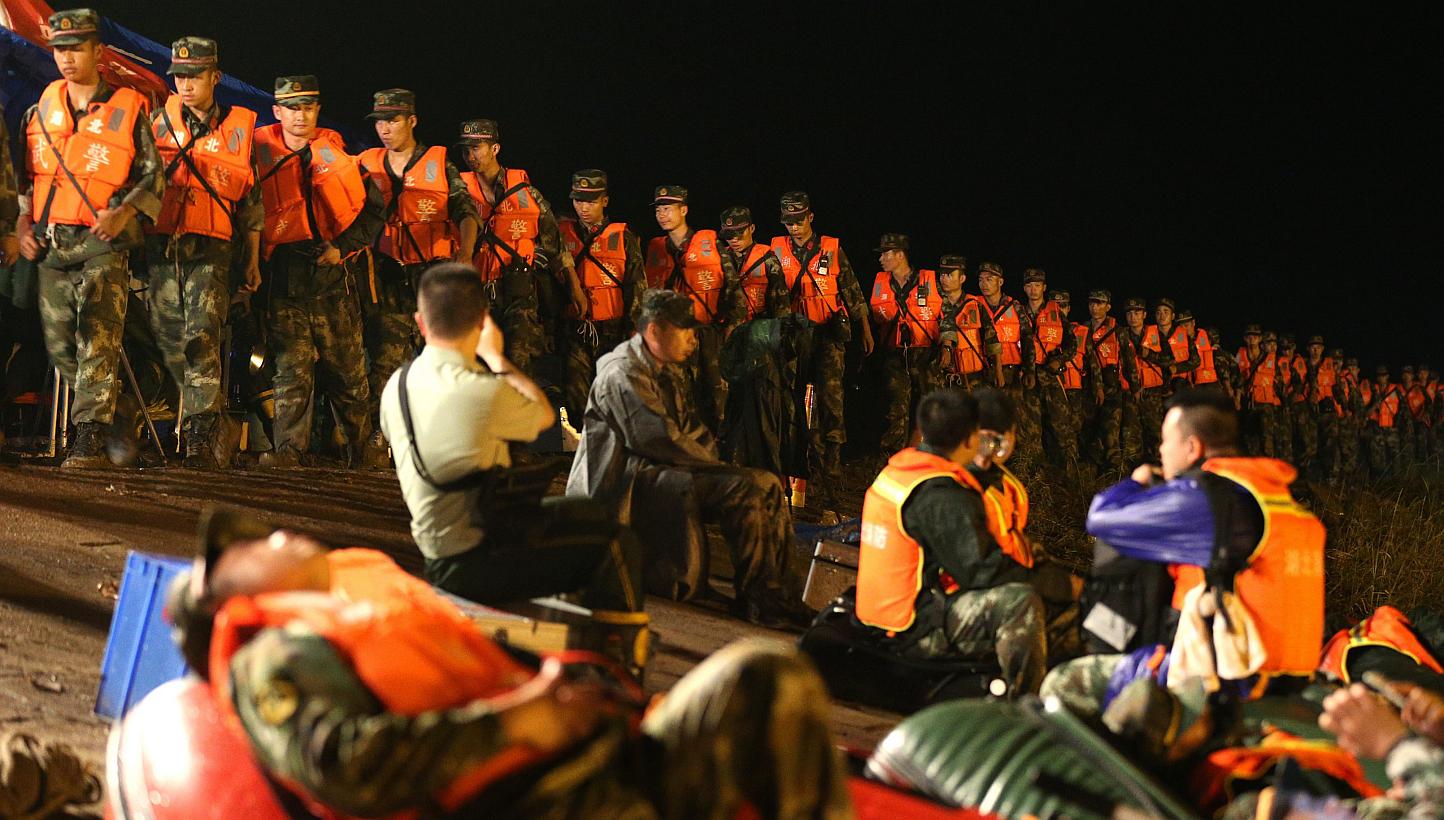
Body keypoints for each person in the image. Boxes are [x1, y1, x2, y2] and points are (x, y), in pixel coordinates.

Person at [157, 507, 851, 820]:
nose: (272, 533)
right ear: (229, 599)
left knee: (764, 674)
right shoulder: (274, 654)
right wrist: (515, 722)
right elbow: (346, 768)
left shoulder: (351, 602)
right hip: (533, 800)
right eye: (242, 547)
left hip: (598, 756)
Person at [379, 263, 647, 669]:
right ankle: (616, 670)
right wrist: (495, 357)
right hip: (475, 560)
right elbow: (542, 415)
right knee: (616, 544)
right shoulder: (483, 391)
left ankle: (565, 644)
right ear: (482, 320)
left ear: (420, 321)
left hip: (438, 543)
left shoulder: (397, 384)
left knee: (586, 512)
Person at [1042, 389, 1325, 720]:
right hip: (1287, 677)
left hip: (1224, 680)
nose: (1161, 450)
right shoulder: (1278, 499)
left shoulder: (1207, 500)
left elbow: (1103, 518)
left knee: (1063, 683)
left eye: (1166, 440)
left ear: (1192, 448)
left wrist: (1137, 483)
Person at [566, 288, 805, 628]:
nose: (694, 339)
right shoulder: (622, 373)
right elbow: (656, 438)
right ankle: (759, 599)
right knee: (743, 487)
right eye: (686, 331)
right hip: (624, 485)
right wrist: (721, 470)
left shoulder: (661, 371)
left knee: (765, 483)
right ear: (654, 330)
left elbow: (693, 433)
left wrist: (717, 465)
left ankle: (781, 594)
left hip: (658, 472)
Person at [16, 8, 164, 468]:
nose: (66, 57)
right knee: (61, 345)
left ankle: (90, 436)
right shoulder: (39, 110)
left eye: (76, 48)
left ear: (98, 52)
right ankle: (116, 410)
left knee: (97, 339)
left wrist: (122, 212)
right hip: (51, 244)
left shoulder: (128, 108)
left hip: (103, 245)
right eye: (59, 48)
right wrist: (22, 228)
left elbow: (153, 176)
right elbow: (25, 182)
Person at [854, 388, 1048, 694]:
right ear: (970, 440)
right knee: (1019, 603)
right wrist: (1056, 585)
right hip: (915, 629)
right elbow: (983, 572)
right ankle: (1025, 708)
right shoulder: (942, 494)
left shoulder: (904, 469)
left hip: (880, 614)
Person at [252, 75, 384, 467]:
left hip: (333, 279)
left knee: (347, 373)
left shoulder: (339, 157)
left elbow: (374, 211)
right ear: (277, 112)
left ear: (317, 111)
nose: (300, 115)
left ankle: (361, 452)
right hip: (285, 277)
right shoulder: (258, 154)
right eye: (292, 108)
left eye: (308, 107)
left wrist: (341, 248)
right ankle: (289, 453)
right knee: (291, 371)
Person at [145, 36, 261, 469]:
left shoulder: (237, 130)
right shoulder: (156, 122)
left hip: (212, 248)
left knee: (201, 337)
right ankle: (157, 420)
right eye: (178, 76)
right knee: (165, 337)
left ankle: (200, 433)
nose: (185, 84)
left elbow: (253, 203)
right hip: (161, 245)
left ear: (216, 77)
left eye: (195, 75)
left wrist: (251, 259)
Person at [356, 89, 479, 465]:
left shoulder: (440, 165)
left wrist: (465, 255)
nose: (384, 128)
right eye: (379, 120)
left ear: (412, 120)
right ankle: (382, 437)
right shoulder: (366, 164)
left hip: (432, 276)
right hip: (388, 274)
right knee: (385, 360)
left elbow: (466, 211)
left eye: (393, 120)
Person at [769, 191, 873, 506]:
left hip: (828, 333)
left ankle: (833, 461)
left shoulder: (832, 248)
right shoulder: (777, 249)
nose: (794, 227)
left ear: (810, 217)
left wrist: (865, 330)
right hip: (794, 335)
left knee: (831, 398)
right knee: (791, 398)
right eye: (788, 221)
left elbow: (852, 291)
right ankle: (797, 461)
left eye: (799, 220)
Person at [459, 118, 580, 374]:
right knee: (478, 368)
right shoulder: (459, 191)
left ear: (495, 149)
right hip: (475, 292)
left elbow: (555, 244)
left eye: (477, 148)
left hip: (519, 292)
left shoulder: (527, 193)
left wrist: (575, 287)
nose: (471, 155)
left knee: (518, 364)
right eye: (466, 149)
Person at [642, 185, 742, 435]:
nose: (662, 214)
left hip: (708, 334)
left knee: (717, 401)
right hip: (672, 339)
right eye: (659, 209)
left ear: (684, 210)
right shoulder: (655, 249)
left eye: (668, 208)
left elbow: (733, 287)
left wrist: (732, 327)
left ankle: (722, 459)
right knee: (676, 402)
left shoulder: (712, 244)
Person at [557, 169, 645, 423]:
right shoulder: (561, 235)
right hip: (575, 329)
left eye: (591, 201)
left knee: (615, 396)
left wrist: (634, 330)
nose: (583, 207)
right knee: (576, 398)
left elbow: (637, 286)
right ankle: (587, 451)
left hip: (613, 330)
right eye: (578, 200)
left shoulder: (624, 237)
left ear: (605, 201)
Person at [716, 205, 794, 474]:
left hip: (759, 340)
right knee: (725, 409)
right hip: (725, 340)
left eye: (739, 232)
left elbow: (781, 306)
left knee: (762, 409)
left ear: (751, 229)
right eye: (729, 234)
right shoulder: (719, 258)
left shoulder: (769, 260)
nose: (734, 238)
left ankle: (766, 471)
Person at [868, 233, 940, 454]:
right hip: (894, 354)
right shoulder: (881, 282)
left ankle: (928, 457)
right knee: (895, 410)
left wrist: (946, 346)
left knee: (929, 407)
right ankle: (894, 460)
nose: (881, 259)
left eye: (885, 254)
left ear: (900, 255)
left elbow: (945, 316)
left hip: (925, 354)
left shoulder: (929, 281)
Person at [1018, 269, 1078, 466]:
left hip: (1051, 376)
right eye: (1029, 285)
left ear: (1044, 287)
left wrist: (1060, 359)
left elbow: (1072, 344)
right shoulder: (1019, 312)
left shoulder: (1056, 313)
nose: (1033, 289)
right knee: (1031, 430)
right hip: (1027, 376)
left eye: (1037, 285)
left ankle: (1071, 476)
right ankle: (1037, 478)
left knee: (1062, 427)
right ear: (1024, 288)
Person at [1081, 289, 1132, 473]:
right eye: (1092, 303)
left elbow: (1129, 360)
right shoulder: (1083, 329)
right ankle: (1090, 478)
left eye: (1100, 303)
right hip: (1088, 388)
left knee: (1111, 435)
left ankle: (1115, 476)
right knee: (1088, 432)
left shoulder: (1118, 331)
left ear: (1108, 307)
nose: (1095, 307)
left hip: (1112, 389)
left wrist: (1133, 387)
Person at [936, 254, 1000, 390]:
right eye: (942, 275)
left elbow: (991, 338)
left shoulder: (975, 305)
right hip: (942, 378)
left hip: (974, 377)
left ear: (962, 278)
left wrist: (998, 371)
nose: (944, 279)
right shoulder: (934, 304)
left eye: (950, 275)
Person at [1121, 297, 1166, 462]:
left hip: (1152, 392)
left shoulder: (1157, 334)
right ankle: (1134, 476)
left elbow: (1168, 360)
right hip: (1129, 393)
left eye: (1137, 312)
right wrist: (1134, 388)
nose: (1133, 316)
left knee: (1155, 433)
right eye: (1129, 313)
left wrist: (1150, 355)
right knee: (1131, 435)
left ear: (1145, 314)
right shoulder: (1121, 335)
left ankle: (1159, 472)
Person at [1236, 325, 1281, 457]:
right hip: (1248, 403)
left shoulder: (1270, 358)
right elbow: (1237, 378)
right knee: (1250, 439)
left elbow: (1278, 381)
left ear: (1260, 339)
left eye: (1255, 337)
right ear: (1245, 338)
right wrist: (1237, 399)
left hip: (1266, 403)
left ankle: (1268, 470)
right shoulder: (1241, 355)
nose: (1252, 340)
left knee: (1267, 438)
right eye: (1249, 336)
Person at [1154, 298, 1198, 392]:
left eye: (1166, 312)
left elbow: (1196, 361)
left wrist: (1177, 368)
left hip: (1179, 387)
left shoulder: (1183, 336)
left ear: (1173, 316)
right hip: (1155, 391)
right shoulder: (1149, 335)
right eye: (1158, 312)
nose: (1162, 316)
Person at [1366, 364, 1402, 478]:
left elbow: (1403, 409)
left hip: (1391, 428)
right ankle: (1380, 482)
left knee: (1395, 457)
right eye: (1379, 376)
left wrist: (1399, 425)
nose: (1382, 378)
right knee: (1377, 458)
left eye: (1384, 375)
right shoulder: (1372, 391)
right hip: (1377, 429)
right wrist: (1374, 406)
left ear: (1388, 376)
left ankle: (1397, 482)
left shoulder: (1395, 390)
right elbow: (1365, 411)